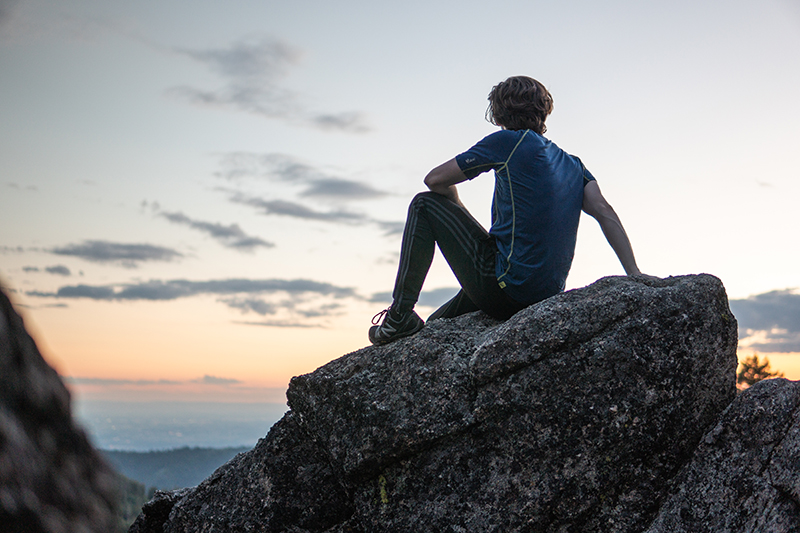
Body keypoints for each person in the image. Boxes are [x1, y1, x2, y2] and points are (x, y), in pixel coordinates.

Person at [369, 76, 641, 345]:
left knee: (423, 203)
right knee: (436, 327)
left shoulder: (509, 142)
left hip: (504, 286)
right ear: (543, 112)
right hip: (542, 295)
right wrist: (634, 273)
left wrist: (457, 209)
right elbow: (605, 212)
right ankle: (411, 327)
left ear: (499, 116)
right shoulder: (574, 164)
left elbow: (435, 180)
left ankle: (399, 314)